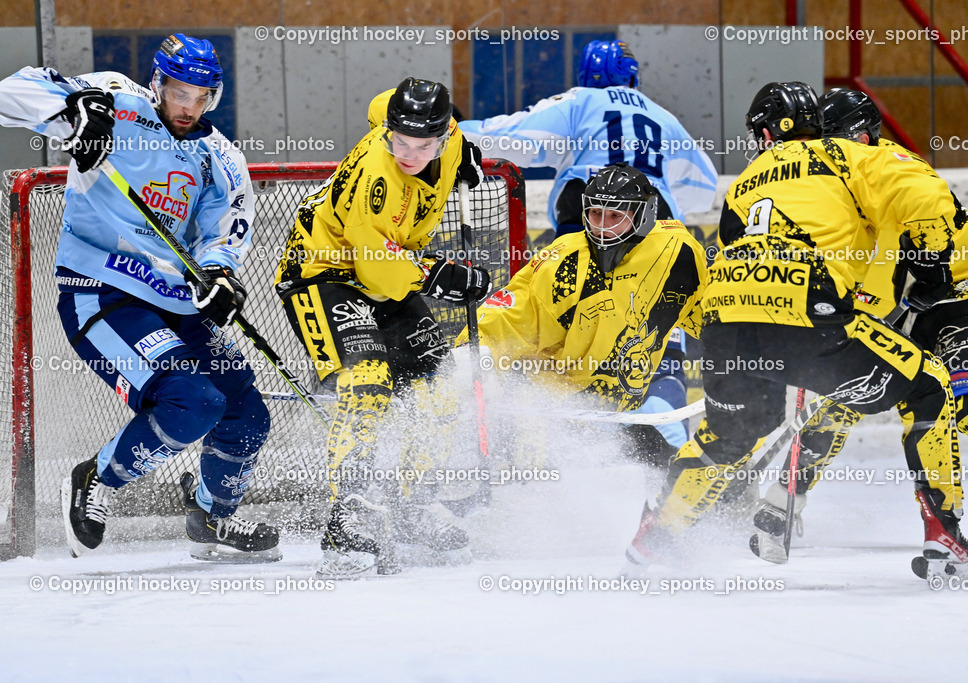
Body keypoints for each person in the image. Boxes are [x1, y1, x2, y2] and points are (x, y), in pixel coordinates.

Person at [627, 81, 968, 575]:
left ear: (770, 131)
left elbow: (732, 249)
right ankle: (944, 533)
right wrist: (933, 262)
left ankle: (655, 540)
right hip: (810, 318)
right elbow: (924, 190)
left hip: (726, 324)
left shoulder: (745, 182)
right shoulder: (848, 155)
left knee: (727, 436)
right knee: (930, 387)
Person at [0, 33, 280, 561]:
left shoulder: (221, 157)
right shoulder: (114, 99)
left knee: (247, 417)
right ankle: (96, 478)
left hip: (178, 303)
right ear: (157, 84)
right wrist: (80, 112)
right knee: (193, 402)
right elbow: (10, 94)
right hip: (104, 292)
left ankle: (212, 517)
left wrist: (219, 275)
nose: (188, 107)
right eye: (178, 93)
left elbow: (225, 231)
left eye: (201, 97)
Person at [749, 88, 968, 566]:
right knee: (843, 398)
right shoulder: (841, 182)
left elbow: (893, 258)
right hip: (912, 305)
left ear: (861, 138)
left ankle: (944, 522)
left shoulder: (890, 168)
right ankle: (783, 504)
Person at [460, 38, 715, 462]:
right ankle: (667, 461)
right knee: (659, 351)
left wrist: (452, 133)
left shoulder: (581, 102)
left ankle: (563, 447)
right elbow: (703, 187)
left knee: (561, 341)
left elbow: (510, 136)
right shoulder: (663, 116)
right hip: (660, 246)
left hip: (583, 244)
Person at [274, 77, 488, 579]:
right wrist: (439, 275)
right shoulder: (378, 179)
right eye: (400, 142)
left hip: (388, 270)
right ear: (389, 132)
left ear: (444, 134)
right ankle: (348, 516)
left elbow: (378, 103)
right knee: (368, 380)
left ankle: (414, 505)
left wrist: (464, 155)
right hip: (324, 273)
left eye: (423, 145)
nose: (409, 154)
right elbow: (376, 270)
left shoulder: (447, 136)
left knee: (442, 385)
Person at [467, 162, 707, 440]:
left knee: (668, 462)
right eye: (595, 213)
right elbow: (500, 322)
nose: (602, 228)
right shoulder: (562, 263)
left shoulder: (677, 254)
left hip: (624, 412)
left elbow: (711, 317)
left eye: (615, 215)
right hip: (558, 413)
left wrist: (745, 351)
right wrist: (475, 364)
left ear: (643, 216)